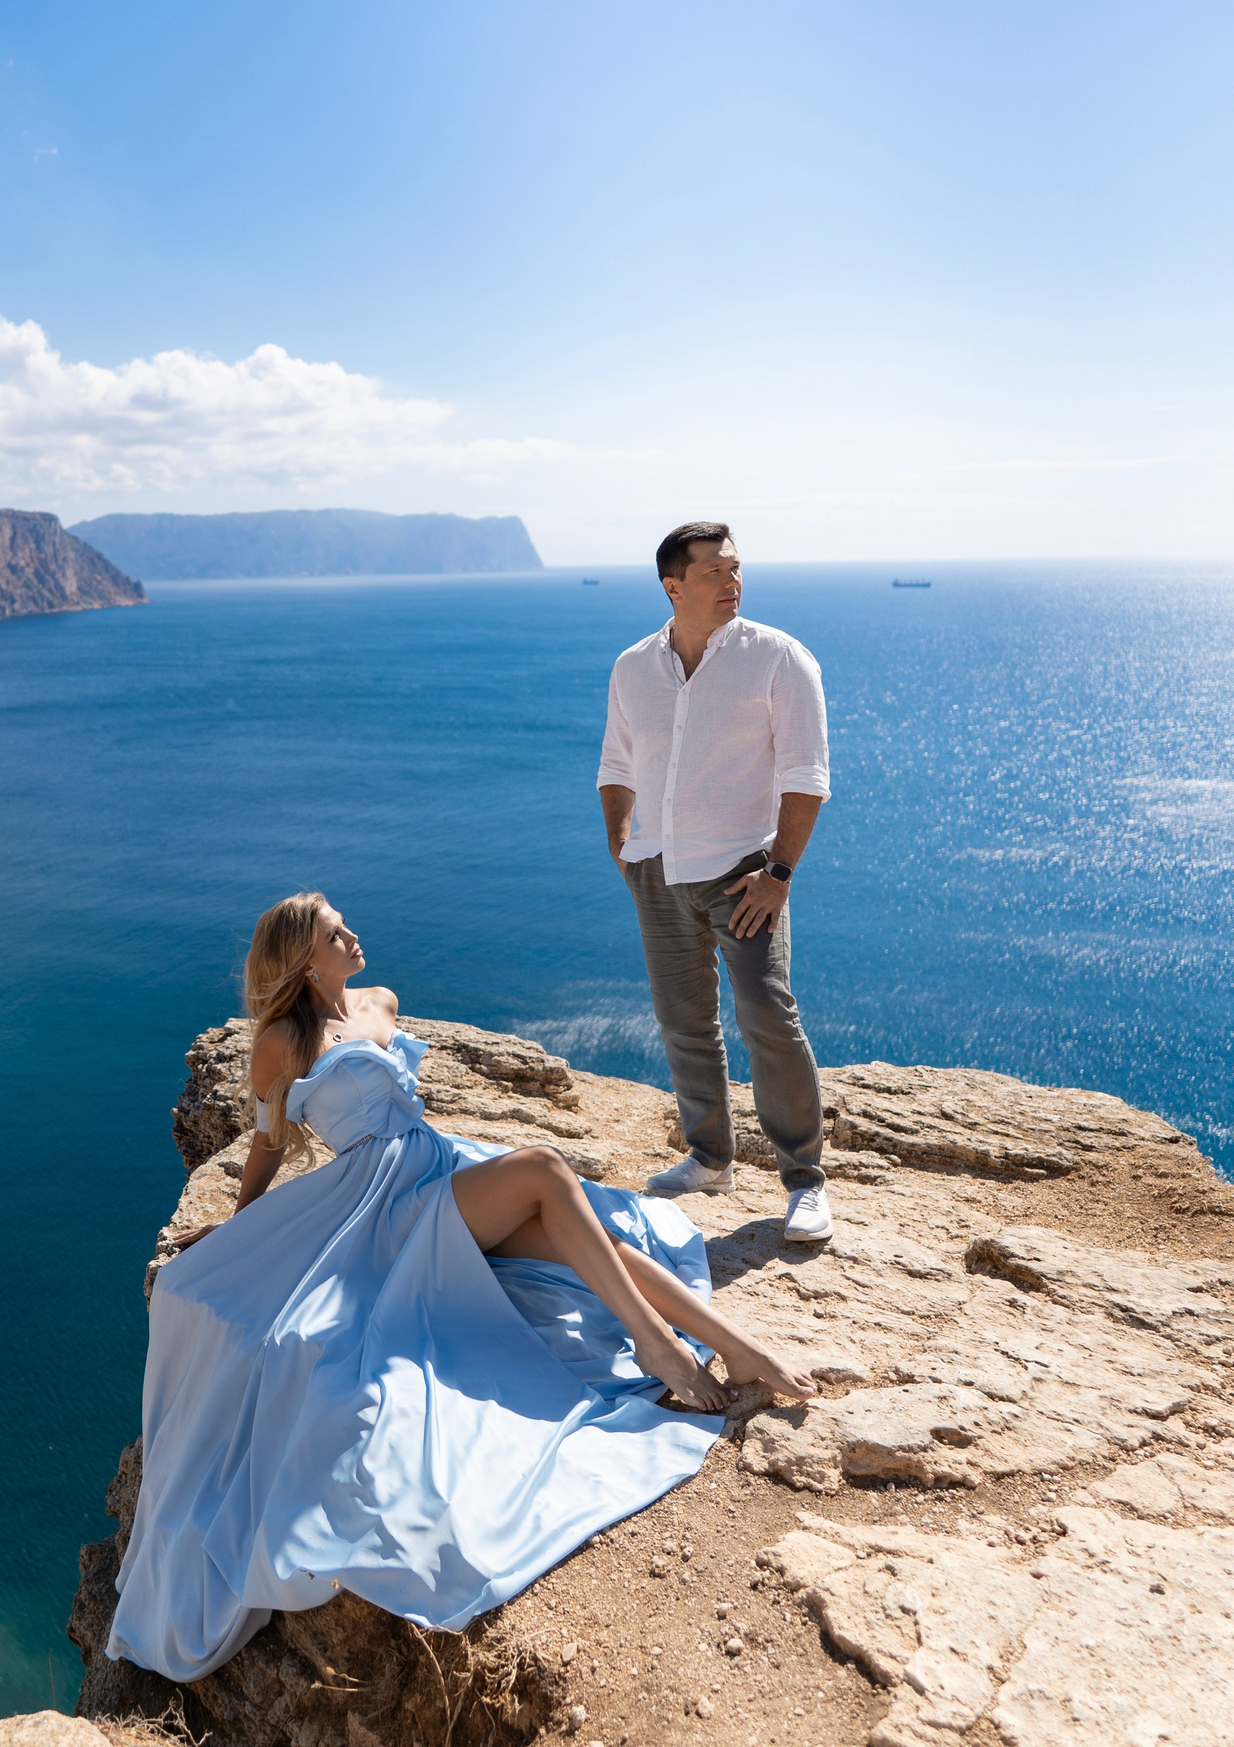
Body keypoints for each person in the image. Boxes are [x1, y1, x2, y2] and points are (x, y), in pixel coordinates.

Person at [108, 893, 816, 1682]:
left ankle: (735, 1347)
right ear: (308, 959)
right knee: (547, 1171)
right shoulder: (280, 1041)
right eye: (336, 932)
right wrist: (242, 1231)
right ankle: (662, 1349)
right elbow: (270, 1146)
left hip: (439, 1168)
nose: (354, 934)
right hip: (380, 1207)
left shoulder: (380, 1002)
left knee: (590, 1235)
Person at [599, 521, 836, 1242]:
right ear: (674, 585)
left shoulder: (779, 657)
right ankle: (709, 1158)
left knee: (768, 1013)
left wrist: (780, 873)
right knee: (684, 1021)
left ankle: (804, 1179)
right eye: (715, 572)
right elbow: (617, 763)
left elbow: (807, 776)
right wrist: (622, 845)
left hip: (743, 873)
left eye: (737, 568)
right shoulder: (633, 666)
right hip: (658, 868)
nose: (733, 581)